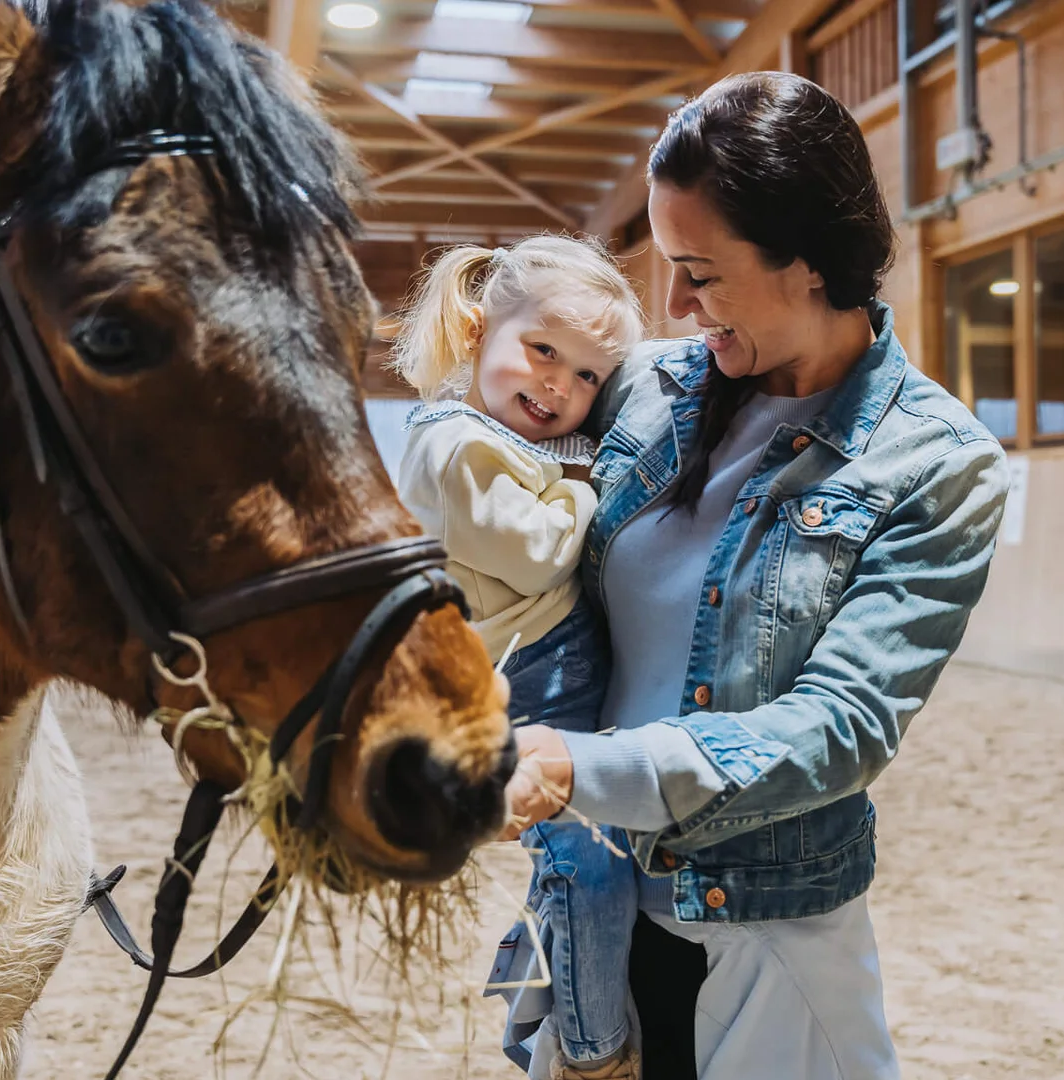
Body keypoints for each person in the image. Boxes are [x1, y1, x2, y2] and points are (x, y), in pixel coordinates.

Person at [497, 72, 1010, 1080]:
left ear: (810, 264)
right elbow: (480, 444)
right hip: (589, 904)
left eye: (701, 273)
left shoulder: (935, 463)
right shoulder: (646, 386)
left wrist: (576, 768)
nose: (676, 306)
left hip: (763, 935)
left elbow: (841, 727)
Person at [388, 236, 650, 1080]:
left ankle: (538, 987)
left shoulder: (492, 436)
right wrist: (585, 488)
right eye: (544, 350)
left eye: (586, 377)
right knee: (589, 859)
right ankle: (591, 1049)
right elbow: (537, 553)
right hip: (534, 668)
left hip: (553, 655)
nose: (558, 386)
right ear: (475, 330)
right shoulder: (456, 445)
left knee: (580, 857)